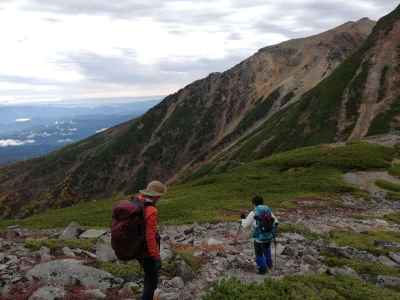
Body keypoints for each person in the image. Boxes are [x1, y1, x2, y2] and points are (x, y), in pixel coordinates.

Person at [136, 180, 167, 300]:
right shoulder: (151, 210)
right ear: (157, 196)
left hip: (137, 247)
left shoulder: (138, 200)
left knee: (148, 276)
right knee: (152, 281)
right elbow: (150, 236)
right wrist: (156, 257)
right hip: (146, 251)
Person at [241, 195, 278, 274]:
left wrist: (242, 219)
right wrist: (273, 232)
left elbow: (245, 225)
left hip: (259, 237)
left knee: (259, 253)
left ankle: (263, 270)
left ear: (253, 203)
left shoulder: (253, 212)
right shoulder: (268, 210)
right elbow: (276, 222)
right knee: (267, 250)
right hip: (269, 236)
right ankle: (269, 265)